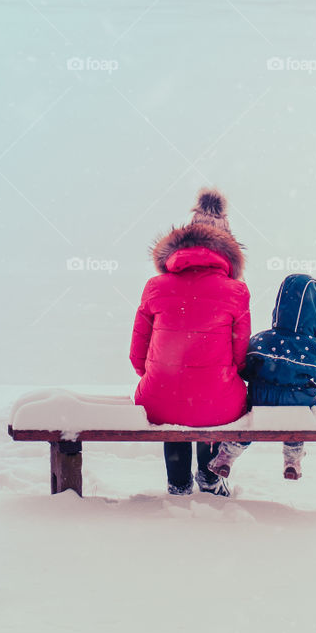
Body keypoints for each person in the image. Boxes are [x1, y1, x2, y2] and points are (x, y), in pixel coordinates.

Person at [129, 188, 250, 496]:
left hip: (160, 396)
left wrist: (163, 376)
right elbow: (240, 359)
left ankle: (178, 482)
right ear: (228, 248)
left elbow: (136, 354)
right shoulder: (236, 291)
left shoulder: (155, 287)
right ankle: (209, 477)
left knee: (170, 399)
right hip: (216, 403)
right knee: (215, 396)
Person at [208, 272, 316, 481]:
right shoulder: (315, 349)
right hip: (299, 405)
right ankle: (292, 462)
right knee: (297, 428)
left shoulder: (261, 340)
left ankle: (225, 457)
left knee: (247, 423)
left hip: (261, 401)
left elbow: (244, 369)